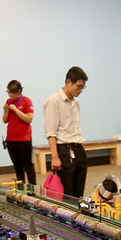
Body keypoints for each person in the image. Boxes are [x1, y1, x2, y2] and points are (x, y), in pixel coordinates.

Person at [44, 67, 89, 198]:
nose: (80, 90)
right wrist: (55, 157)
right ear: (68, 82)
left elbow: (75, 128)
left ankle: (78, 217)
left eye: (82, 87)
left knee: (79, 192)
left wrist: (81, 148)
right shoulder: (53, 101)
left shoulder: (76, 102)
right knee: (67, 194)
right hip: (64, 150)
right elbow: (51, 132)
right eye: (79, 86)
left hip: (78, 148)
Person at [3, 80, 36, 187]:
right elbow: (5, 120)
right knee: (17, 166)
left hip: (24, 140)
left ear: (19, 92)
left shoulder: (27, 101)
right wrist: (6, 111)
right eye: (8, 92)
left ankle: (32, 189)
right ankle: (21, 190)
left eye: (12, 93)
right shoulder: (9, 101)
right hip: (11, 140)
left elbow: (29, 119)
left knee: (28, 166)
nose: (10, 95)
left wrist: (16, 110)